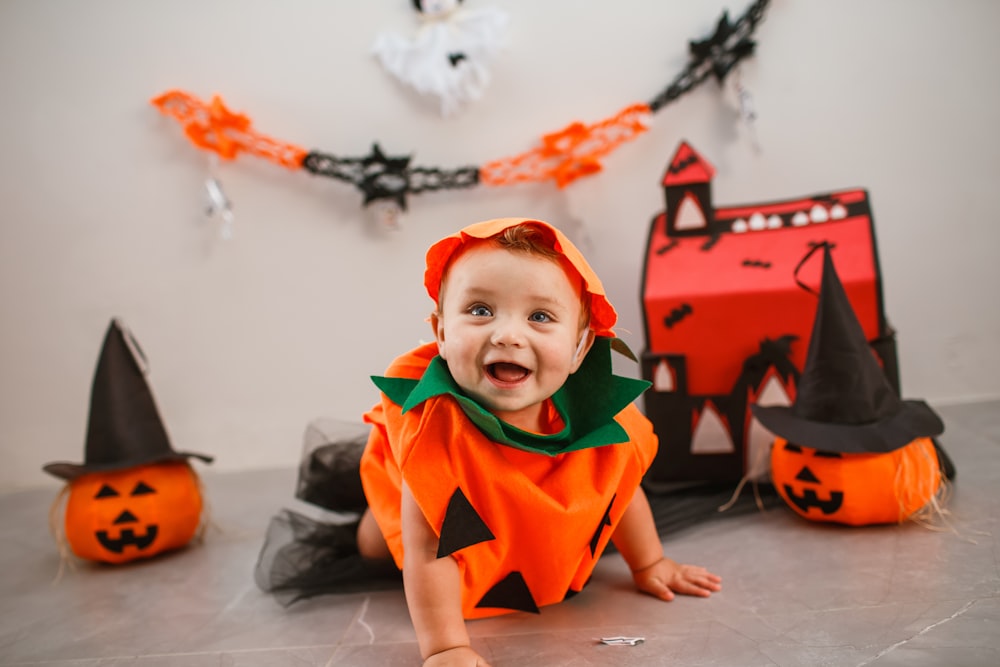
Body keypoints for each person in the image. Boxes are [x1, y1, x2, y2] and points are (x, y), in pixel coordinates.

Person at [358, 217, 721, 666]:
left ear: (579, 349)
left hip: (522, 497)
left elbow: (619, 491)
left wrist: (649, 564)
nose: (509, 334)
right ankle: (375, 514)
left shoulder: (596, 425)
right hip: (422, 496)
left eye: (540, 316)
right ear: (442, 335)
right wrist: (446, 647)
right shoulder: (432, 435)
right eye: (479, 310)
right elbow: (431, 551)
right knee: (376, 545)